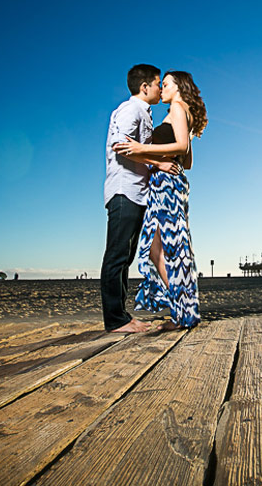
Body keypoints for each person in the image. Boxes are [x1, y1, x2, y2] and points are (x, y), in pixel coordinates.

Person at [113, 71, 207, 330]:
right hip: (170, 183)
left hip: (166, 185)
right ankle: (182, 311)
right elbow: (186, 159)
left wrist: (143, 149)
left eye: (166, 84)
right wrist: (168, 156)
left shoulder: (177, 106)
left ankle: (182, 315)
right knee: (160, 250)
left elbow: (178, 148)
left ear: (179, 87)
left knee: (163, 251)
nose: (162, 89)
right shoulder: (183, 111)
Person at [101, 64, 179, 333]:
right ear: (144, 87)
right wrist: (158, 164)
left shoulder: (143, 113)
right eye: (158, 83)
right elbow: (121, 146)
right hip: (124, 190)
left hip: (137, 192)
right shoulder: (130, 109)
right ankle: (115, 321)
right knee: (117, 255)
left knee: (126, 256)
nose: (160, 88)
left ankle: (122, 316)